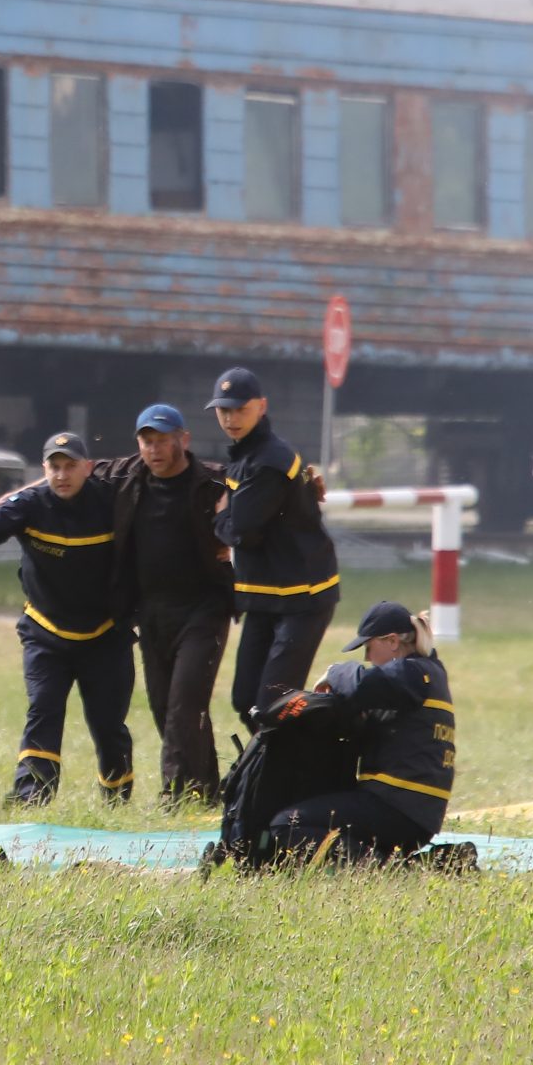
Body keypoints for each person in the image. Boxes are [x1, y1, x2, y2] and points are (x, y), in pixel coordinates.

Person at [0, 430, 138, 806]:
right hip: (46, 633)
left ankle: (117, 799)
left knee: (107, 724)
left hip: (105, 635)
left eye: (71, 467)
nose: (62, 475)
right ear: (44, 469)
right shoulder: (30, 503)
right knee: (44, 710)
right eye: (55, 466)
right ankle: (31, 795)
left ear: (88, 468)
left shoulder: (113, 502)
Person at [89, 402, 232, 807]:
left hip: (205, 609)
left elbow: (262, 491)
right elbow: (75, 473)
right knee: (164, 707)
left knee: (184, 706)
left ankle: (172, 795)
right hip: (151, 613)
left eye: (163, 441)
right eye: (147, 441)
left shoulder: (213, 483)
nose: (154, 449)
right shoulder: (127, 475)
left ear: (183, 440)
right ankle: (206, 792)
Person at [252, 599, 455, 864]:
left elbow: (361, 685)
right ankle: (415, 864)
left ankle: (384, 871)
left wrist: (334, 672)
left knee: (287, 824)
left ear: (393, 641)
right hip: (414, 811)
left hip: (398, 807)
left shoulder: (412, 673)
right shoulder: (429, 673)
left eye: (369, 648)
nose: (368, 658)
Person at [207, 366, 341, 726]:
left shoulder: (268, 461)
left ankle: (302, 768)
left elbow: (243, 532)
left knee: (274, 705)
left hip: (304, 597)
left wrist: (220, 516)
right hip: (267, 595)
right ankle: (263, 775)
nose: (231, 418)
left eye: (240, 409)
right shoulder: (248, 455)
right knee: (245, 700)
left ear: (261, 406)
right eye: (224, 410)